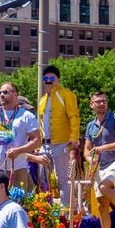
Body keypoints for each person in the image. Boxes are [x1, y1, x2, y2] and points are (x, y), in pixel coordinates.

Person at [35, 65, 80, 203]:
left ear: (58, 80)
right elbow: (41, 123)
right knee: (42, 178)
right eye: (46, 78)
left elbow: (74, 116)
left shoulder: (66, 95)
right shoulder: (42, 100)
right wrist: (38, 143)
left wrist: (74, 137)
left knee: (63, 179)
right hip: (45, 145)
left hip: (61, 143)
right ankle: (44, 210)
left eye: (51, 78)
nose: (48, 81)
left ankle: (66, 213)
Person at [82, 92, 115, 214]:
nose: (102, 104)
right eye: (98, 101)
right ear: (91, 105)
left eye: (104, 101)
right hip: (101, 168)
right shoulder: (90, 126)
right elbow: (87, 150)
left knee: (104, 187)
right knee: (101, 207)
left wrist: (103, 148)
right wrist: (91, 161)